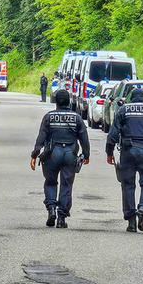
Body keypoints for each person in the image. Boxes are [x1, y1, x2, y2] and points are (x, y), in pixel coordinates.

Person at [105, 88, 143, 233]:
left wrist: (109, 152)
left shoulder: (123, 110)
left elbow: (113, 133)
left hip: (127, 151)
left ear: (131, 98)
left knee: (127, 186)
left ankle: (131, 222)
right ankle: (142, 207)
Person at [30, 89, 90, 228]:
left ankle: (51, 208)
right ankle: (61, 218)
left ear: (55, 102)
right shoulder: (77, 118)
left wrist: (34, 154)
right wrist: (86, 155)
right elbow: (84, 138)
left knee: (50, 182)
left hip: (52, 154)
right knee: (66, 185)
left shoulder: (48, 117)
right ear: (69, 101)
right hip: (70, 154)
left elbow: (41, 137)